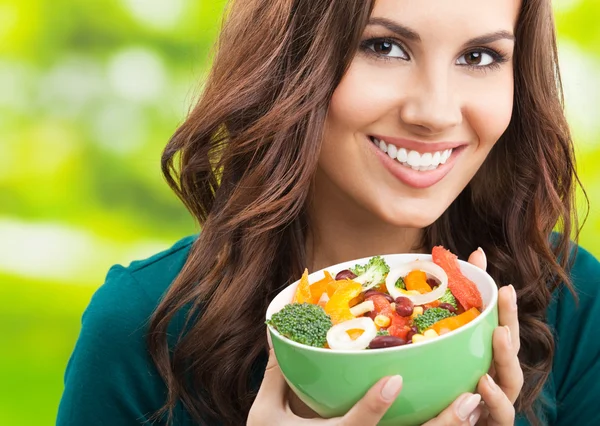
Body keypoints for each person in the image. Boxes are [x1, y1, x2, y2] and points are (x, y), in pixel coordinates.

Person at [56, 0, 600, 425]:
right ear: (287, 57)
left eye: (479, 56)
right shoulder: (140, 328)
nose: (434, 112)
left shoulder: (576, 302)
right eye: (384, 46)